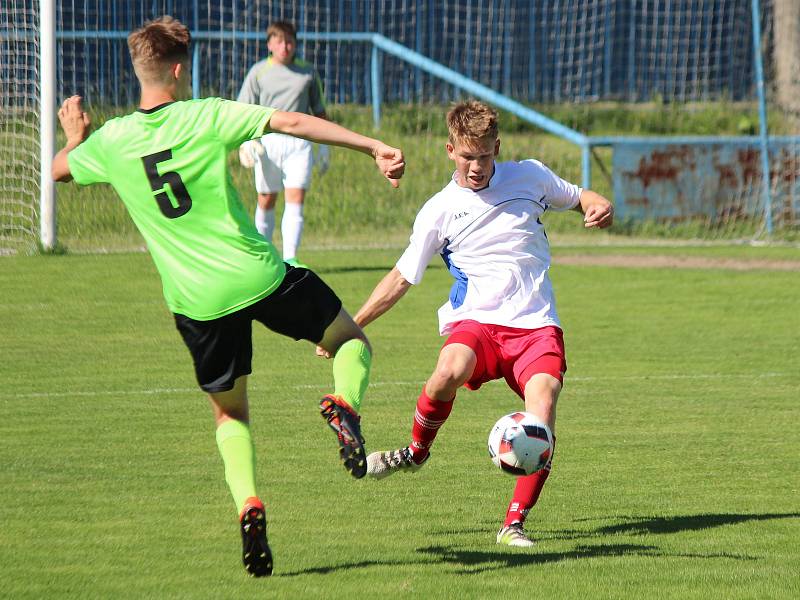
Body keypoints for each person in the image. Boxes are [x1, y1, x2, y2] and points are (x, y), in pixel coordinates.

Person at [51, 16, 405, 577]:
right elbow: (290, 121)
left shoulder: (112, 141)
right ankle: (345, 405)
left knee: (231, 413)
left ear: (139, 71)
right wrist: (372, 145)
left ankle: (250, 505)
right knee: (348, 341)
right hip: (257, 276)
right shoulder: (206, 114)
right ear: (177, 69)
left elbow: (59, 170)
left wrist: (76, 135)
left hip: (196, 302)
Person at [349, 100, 612, 547]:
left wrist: (597, 202)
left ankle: (514, 524)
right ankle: (415, 453)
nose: (476, 167)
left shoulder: (529, 175)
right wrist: (351, 326)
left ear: (498, 148)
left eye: (485, 156)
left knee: (542, 414)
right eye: (468, 156)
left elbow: (579, 195)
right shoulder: (439, 209)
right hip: (478, 322)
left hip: (536, 325)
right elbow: (401, 277)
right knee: (447, 371)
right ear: (450, 150)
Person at [236, 20, 330, 268]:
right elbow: (243, 110)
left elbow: (319, 110)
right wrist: (247, 142)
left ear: (295, 43)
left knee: (296, 197)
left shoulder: (308, 72)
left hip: (299, 143)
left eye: (289, 41)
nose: (285, 46)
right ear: (270, 44)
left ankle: (291, 258)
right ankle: (265, 255)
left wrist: (324, 146)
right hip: (268, 143)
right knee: (266, 198)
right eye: (279, 41)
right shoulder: (258, 72)